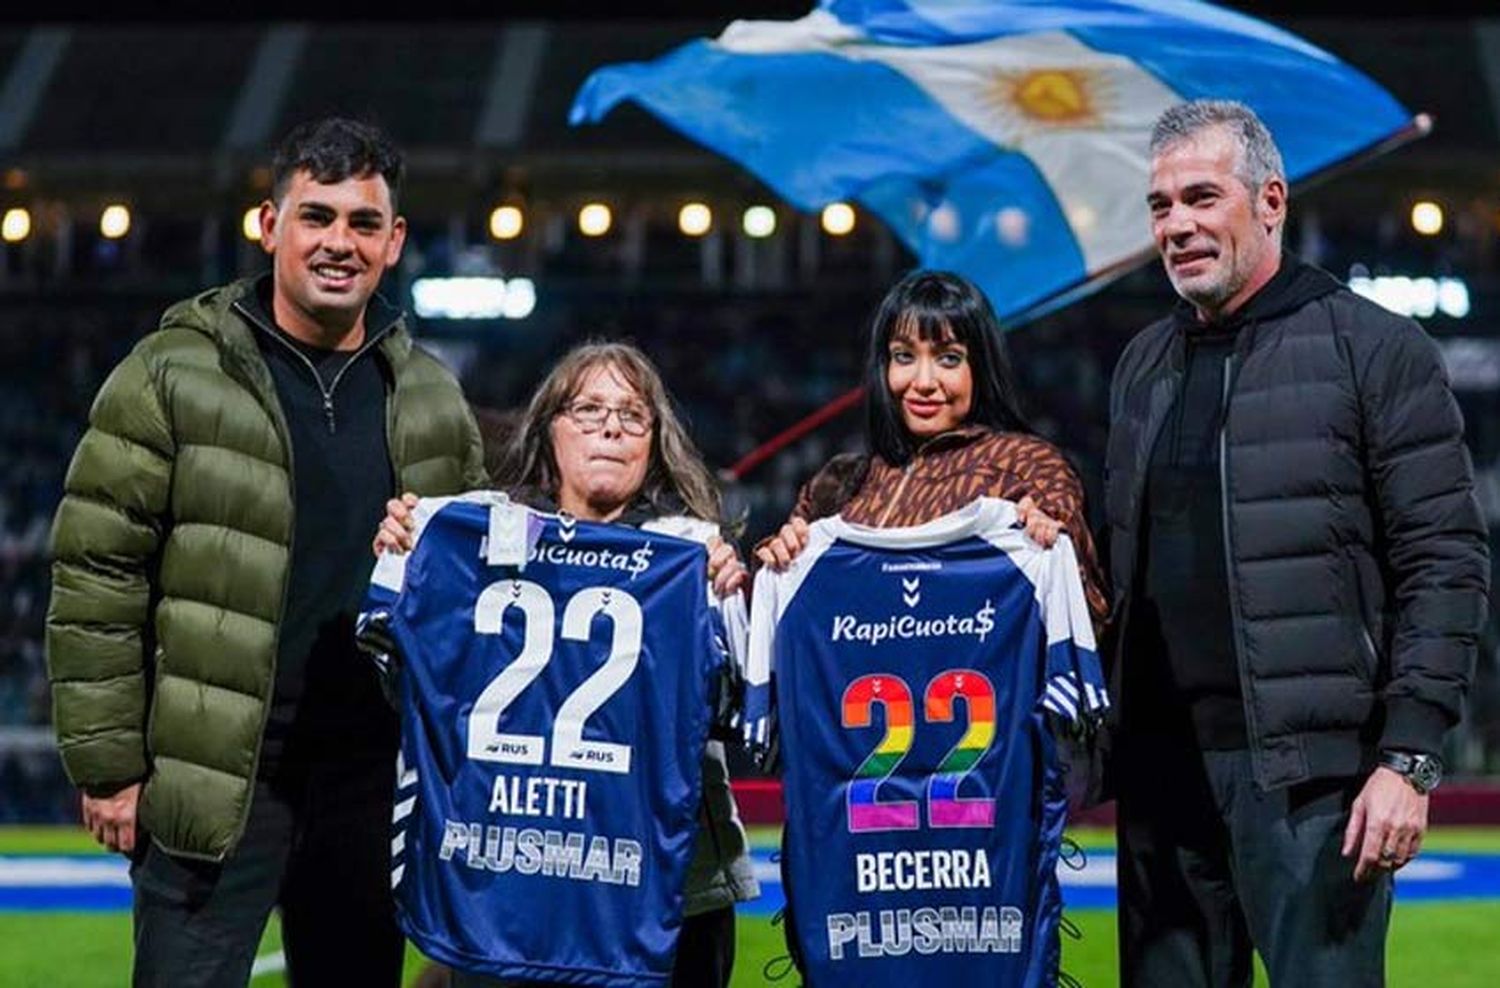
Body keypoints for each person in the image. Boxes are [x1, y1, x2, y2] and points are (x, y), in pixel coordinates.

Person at [45, 117, 487, 987]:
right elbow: (97, 572)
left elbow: (474, 594)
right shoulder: (171, 371)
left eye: (363, 224)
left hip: (366, 785)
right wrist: (107, 768)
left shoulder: (433, 397)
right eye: (316, 216)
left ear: (394, 242)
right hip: (214, 784)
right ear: (269, 224)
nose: (339, 243)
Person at [1103, 99, 1489, 986]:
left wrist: (1410, 757)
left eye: (1203, 196)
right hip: (1163, 784)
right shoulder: (1141, 365)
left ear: (1270, 200)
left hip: (1316, 787)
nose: (1178, 225)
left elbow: (1446, 560)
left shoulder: (1375, 348)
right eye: (1160, 205)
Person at [376, 341, 759, 988]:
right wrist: (413, 562)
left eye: (633, 415)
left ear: (655, 440)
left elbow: (741, 714)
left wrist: (730, 602)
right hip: (511, 879)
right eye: (587, 409)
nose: (611, 426)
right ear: (546, 429)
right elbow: (409, 684)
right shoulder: (476, 542)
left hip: (667, 889)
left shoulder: (691, 555)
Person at [754, 268, 1107, 627]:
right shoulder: (837, 484)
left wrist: (1054, 535)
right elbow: (781, 624)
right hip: (861, 684)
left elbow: (1082, 602)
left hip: (971, 683)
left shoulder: (1025, 464)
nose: (923, 382)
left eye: (948, 358)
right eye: (904, 356)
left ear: (981, 367)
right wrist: (777, 558)